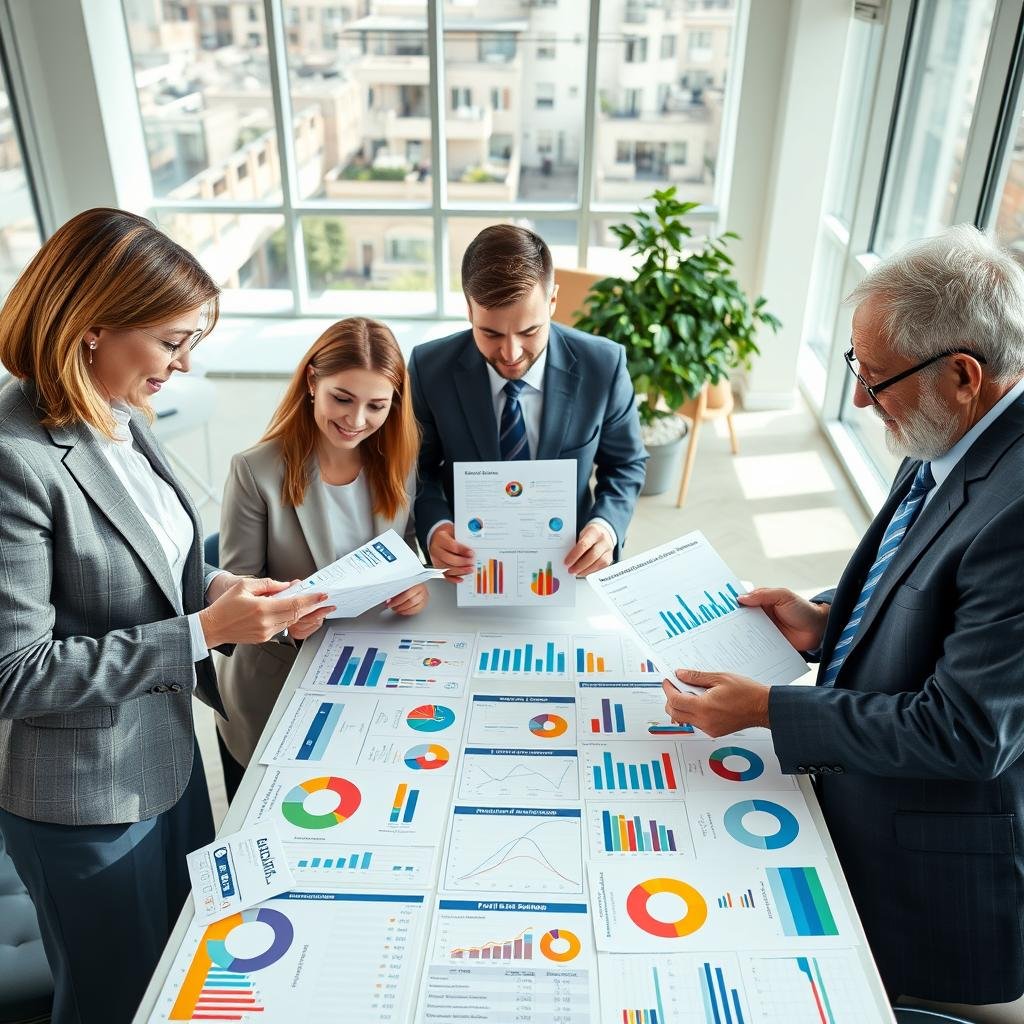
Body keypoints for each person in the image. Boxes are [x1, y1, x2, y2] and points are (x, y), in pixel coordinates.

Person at [661, 225, 1024, 1021]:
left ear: (964, 374)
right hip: (864, 792)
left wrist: (766, 709)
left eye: (877, 377)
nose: (859, 397)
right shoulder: (948, 427)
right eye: (859, 367)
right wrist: (825, 618)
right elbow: (926, 587)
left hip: (929, 878)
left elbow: (966, 732)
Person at [0, 208, 326, 1024]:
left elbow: (154, 565)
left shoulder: (116, 413)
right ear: (91, 327)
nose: (183, 365)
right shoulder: (14, 459)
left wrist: (222, 591)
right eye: (172, 340)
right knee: (116, 1001)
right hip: (82, 798)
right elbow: (16, 674)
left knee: (179, 981)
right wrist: (204, 634)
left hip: (168, 760)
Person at [215, 317, 425, 799]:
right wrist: (287, 621)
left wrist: (413, 581)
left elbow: (404, 546)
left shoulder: (398, 459)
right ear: (312, 382)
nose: (356, 421)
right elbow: (237, 590)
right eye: (342, 398)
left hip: (369, 668)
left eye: (377, 405)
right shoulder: (255, 470)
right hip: (277, 679)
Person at [409, 224, 647, 579]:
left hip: (570, 565)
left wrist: (606, 527)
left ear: (552, 301)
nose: (510, 353)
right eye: (490, 333)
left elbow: (626, 464)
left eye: (530, 331)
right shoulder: (429, 368)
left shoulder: (604, 366)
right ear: (470, 310)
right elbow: (417, 467)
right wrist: (436, 527)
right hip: (467, 567)